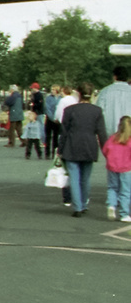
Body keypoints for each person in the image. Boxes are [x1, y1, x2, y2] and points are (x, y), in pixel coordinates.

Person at [60, 81, 107, 218]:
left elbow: (64, 132)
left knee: (74, 177)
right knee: (85, 178)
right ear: (91, 94)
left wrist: (60, 149)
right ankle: (84, 204)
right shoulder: (97, 111)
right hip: (89, 146)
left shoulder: (69, 110)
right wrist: (106, 150)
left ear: (78, 94)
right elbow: (101, 133)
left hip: (72, 146)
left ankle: (77, 207)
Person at [102, 116, 131, 222]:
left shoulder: (113, 138)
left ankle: (111, 205)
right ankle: (124, 214)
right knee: (126, 191)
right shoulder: (129, 140)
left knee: (112, 188)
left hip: (112, 167)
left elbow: (105, 150)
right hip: (126, 168)